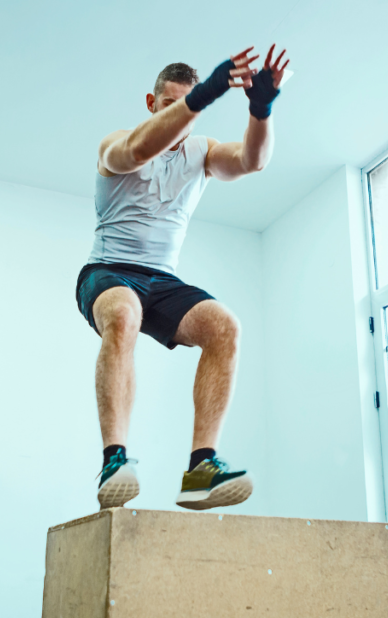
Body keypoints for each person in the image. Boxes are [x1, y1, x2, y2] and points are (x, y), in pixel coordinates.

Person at [76, 45, 290, 511]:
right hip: (108, 273)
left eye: (189, 108)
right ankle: (115, 459)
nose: (181, 119)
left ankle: (201, 470)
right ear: (152, 105)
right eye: (170, 107)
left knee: (225, 326)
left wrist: (261, 109)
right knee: (124, 313)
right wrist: (207, 93)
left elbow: (252, 161)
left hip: (164, 282)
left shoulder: (203, 152)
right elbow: (137, 149)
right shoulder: (116, 143)